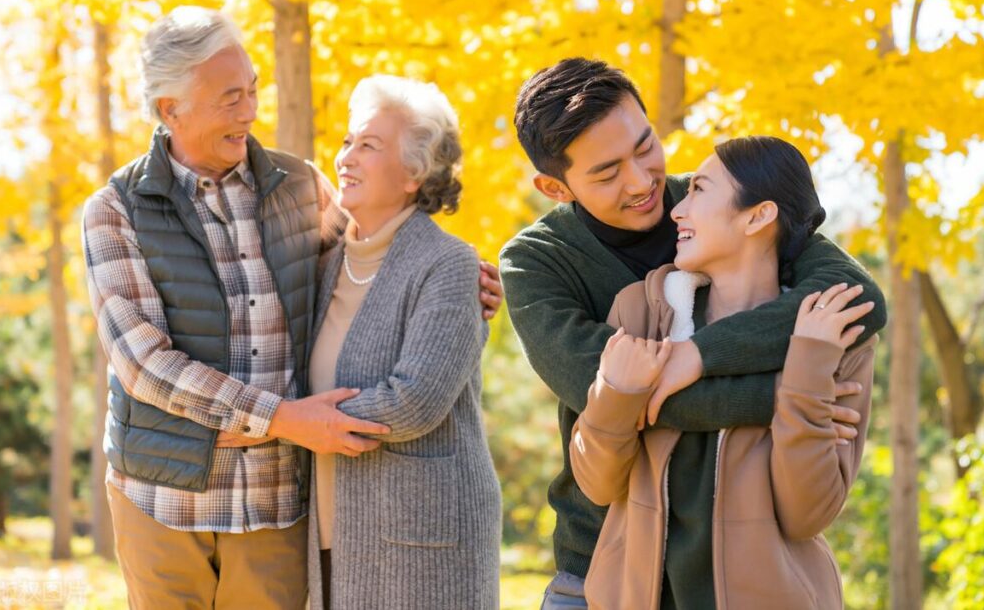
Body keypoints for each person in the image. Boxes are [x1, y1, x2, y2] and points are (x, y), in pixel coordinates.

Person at [82, 7, 502, 610]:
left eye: (252, 90)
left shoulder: (299, 185)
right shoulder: (114, 209)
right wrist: (281, 418)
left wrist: (467, 285)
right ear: (170, 109)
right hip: (163, 498)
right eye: (229, 98)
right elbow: (143, 363)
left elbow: (374, 255)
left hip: (275, 502)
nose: (249, 111)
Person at [499, 58, 886, 608]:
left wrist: (698, 357)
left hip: (741, 572)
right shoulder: (537, 262)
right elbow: (608, 394)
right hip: (601, 571)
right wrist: (783, 396)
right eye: (607, 174)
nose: (641, 183)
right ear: (554, 187)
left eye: (645, 147)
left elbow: (859, 298)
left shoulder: (713, 204)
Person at [571, 136, 877, 609]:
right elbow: (597, 483)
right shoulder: (641, 312)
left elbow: (806, 514)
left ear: (758, 216)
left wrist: (807, 371)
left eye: (698, 190)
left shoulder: (831, 336)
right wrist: (616, 392)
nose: (677, 209)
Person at [305, 75, 502, 609]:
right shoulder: (323, 264)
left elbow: (415, 401)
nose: (346, 157)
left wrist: (302, 423)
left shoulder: (449, 264)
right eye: (347, 141)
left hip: (422, 544)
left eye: (368, 145)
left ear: (415, 172)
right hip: (327, 536)